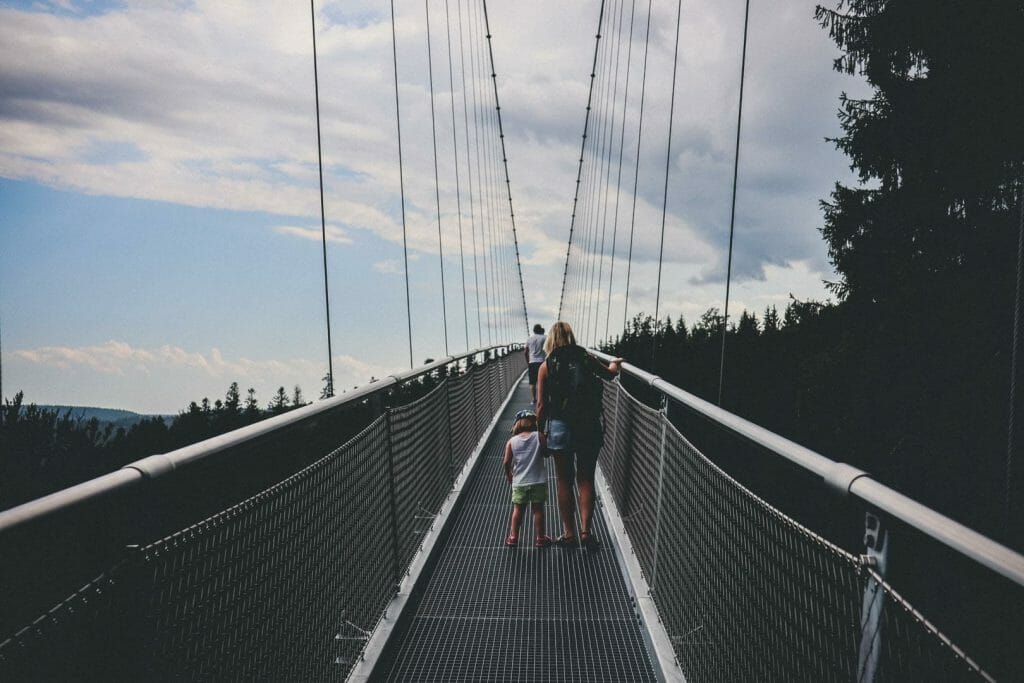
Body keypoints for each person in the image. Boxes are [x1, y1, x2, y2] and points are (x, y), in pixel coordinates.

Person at [535, 321, 622, 548]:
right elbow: (609, 374)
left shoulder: (546, 365)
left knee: (564, 480)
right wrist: (614, 364)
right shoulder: (583, 358)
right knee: (585, 478)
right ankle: (586, 532)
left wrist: (540, 433)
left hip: (559, 427)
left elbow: (541, 405)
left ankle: (569, 533)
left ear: (550, 340)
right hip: (587, 426)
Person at [502, 409, 552, 548]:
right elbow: (546, 453)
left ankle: (513, 537)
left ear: (517, 424)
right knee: (538, 510)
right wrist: (545, 440)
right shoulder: (539, 436)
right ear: (533, 422)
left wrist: (509, 475)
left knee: (518, 509)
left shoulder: (511, 441)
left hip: (519, 482)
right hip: (538, 481)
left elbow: (506, 462)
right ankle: (540, 538)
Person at [525, 324, 547, 403]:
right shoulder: (545, 337)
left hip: (532, 362)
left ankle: (534, 399)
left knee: (532, 382)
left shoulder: (529, 339)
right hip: (543, 363)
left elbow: (526, 352)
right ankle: (542, 399)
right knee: (544, 382)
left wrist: (528, 362)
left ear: (534, 330)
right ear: (540, 330)